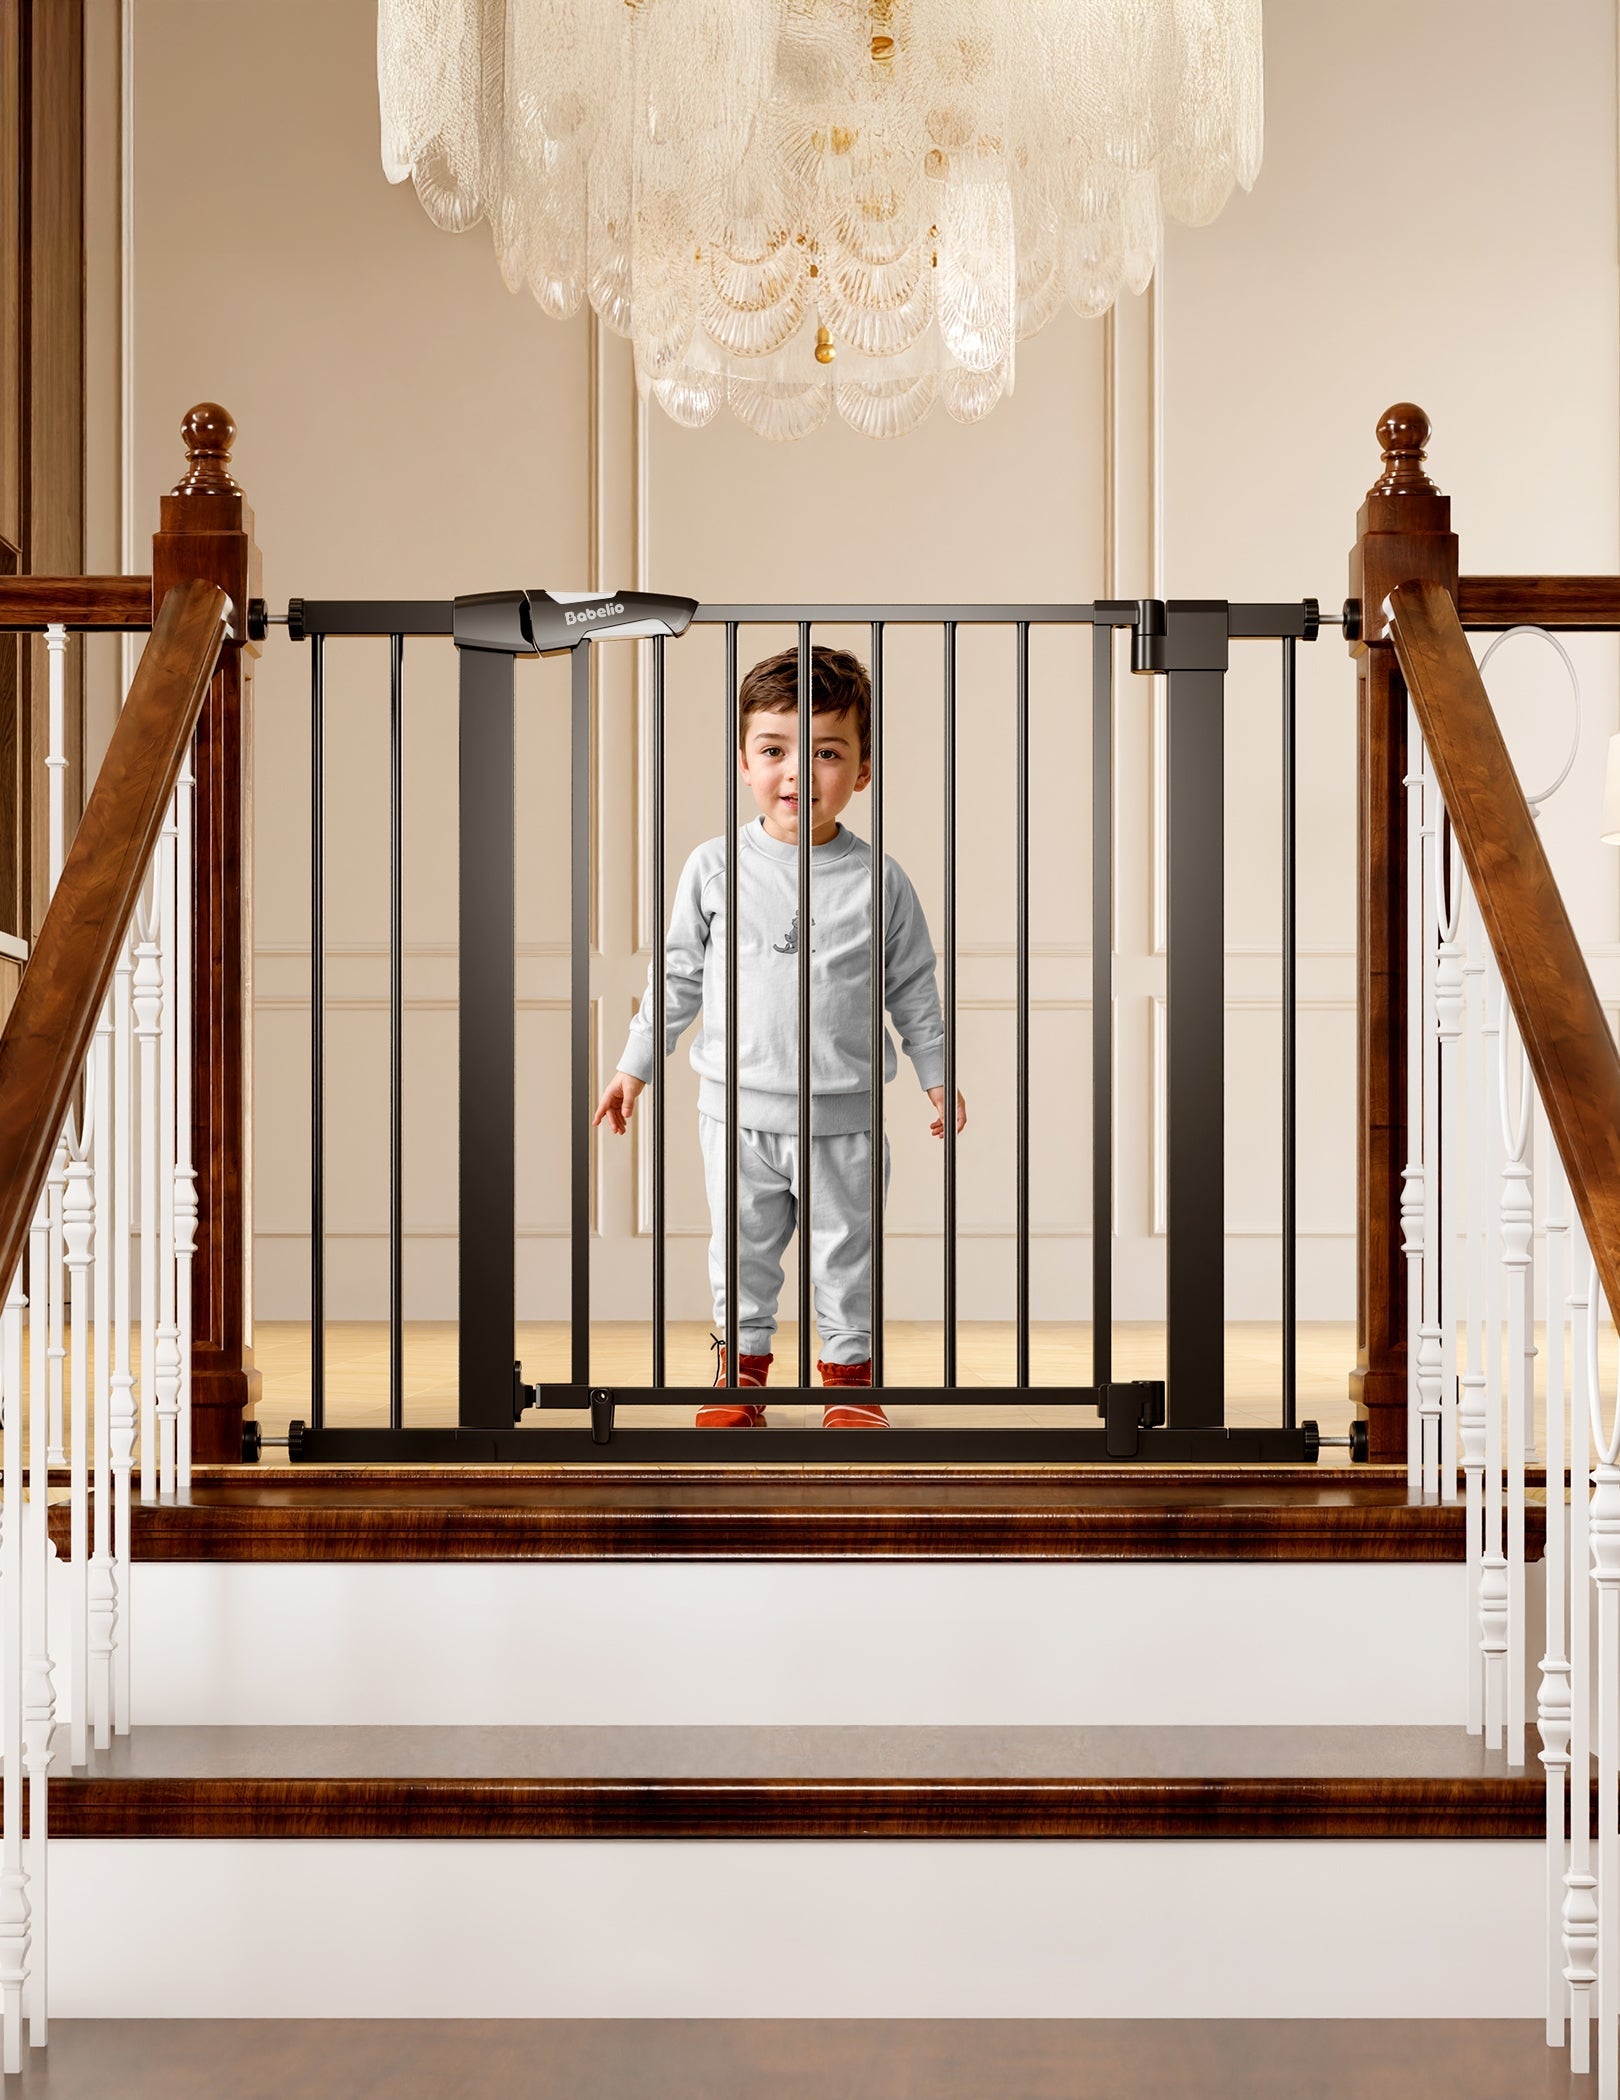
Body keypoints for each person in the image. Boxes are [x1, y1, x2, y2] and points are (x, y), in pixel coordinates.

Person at [593, 644, 966, 1428]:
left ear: (862, 770)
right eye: (775, 750)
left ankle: (848, 1383)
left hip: (846, 1119)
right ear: (744, 761)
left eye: (827, 753)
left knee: (846, 1256)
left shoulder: (881, 880)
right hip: (737, 1114)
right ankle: (742, 1379)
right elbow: (676, 978)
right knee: (741, 1254)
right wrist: (635, 1066)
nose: (798, 772)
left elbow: (913, 991)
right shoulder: (714, 867)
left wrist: (937, 1074)